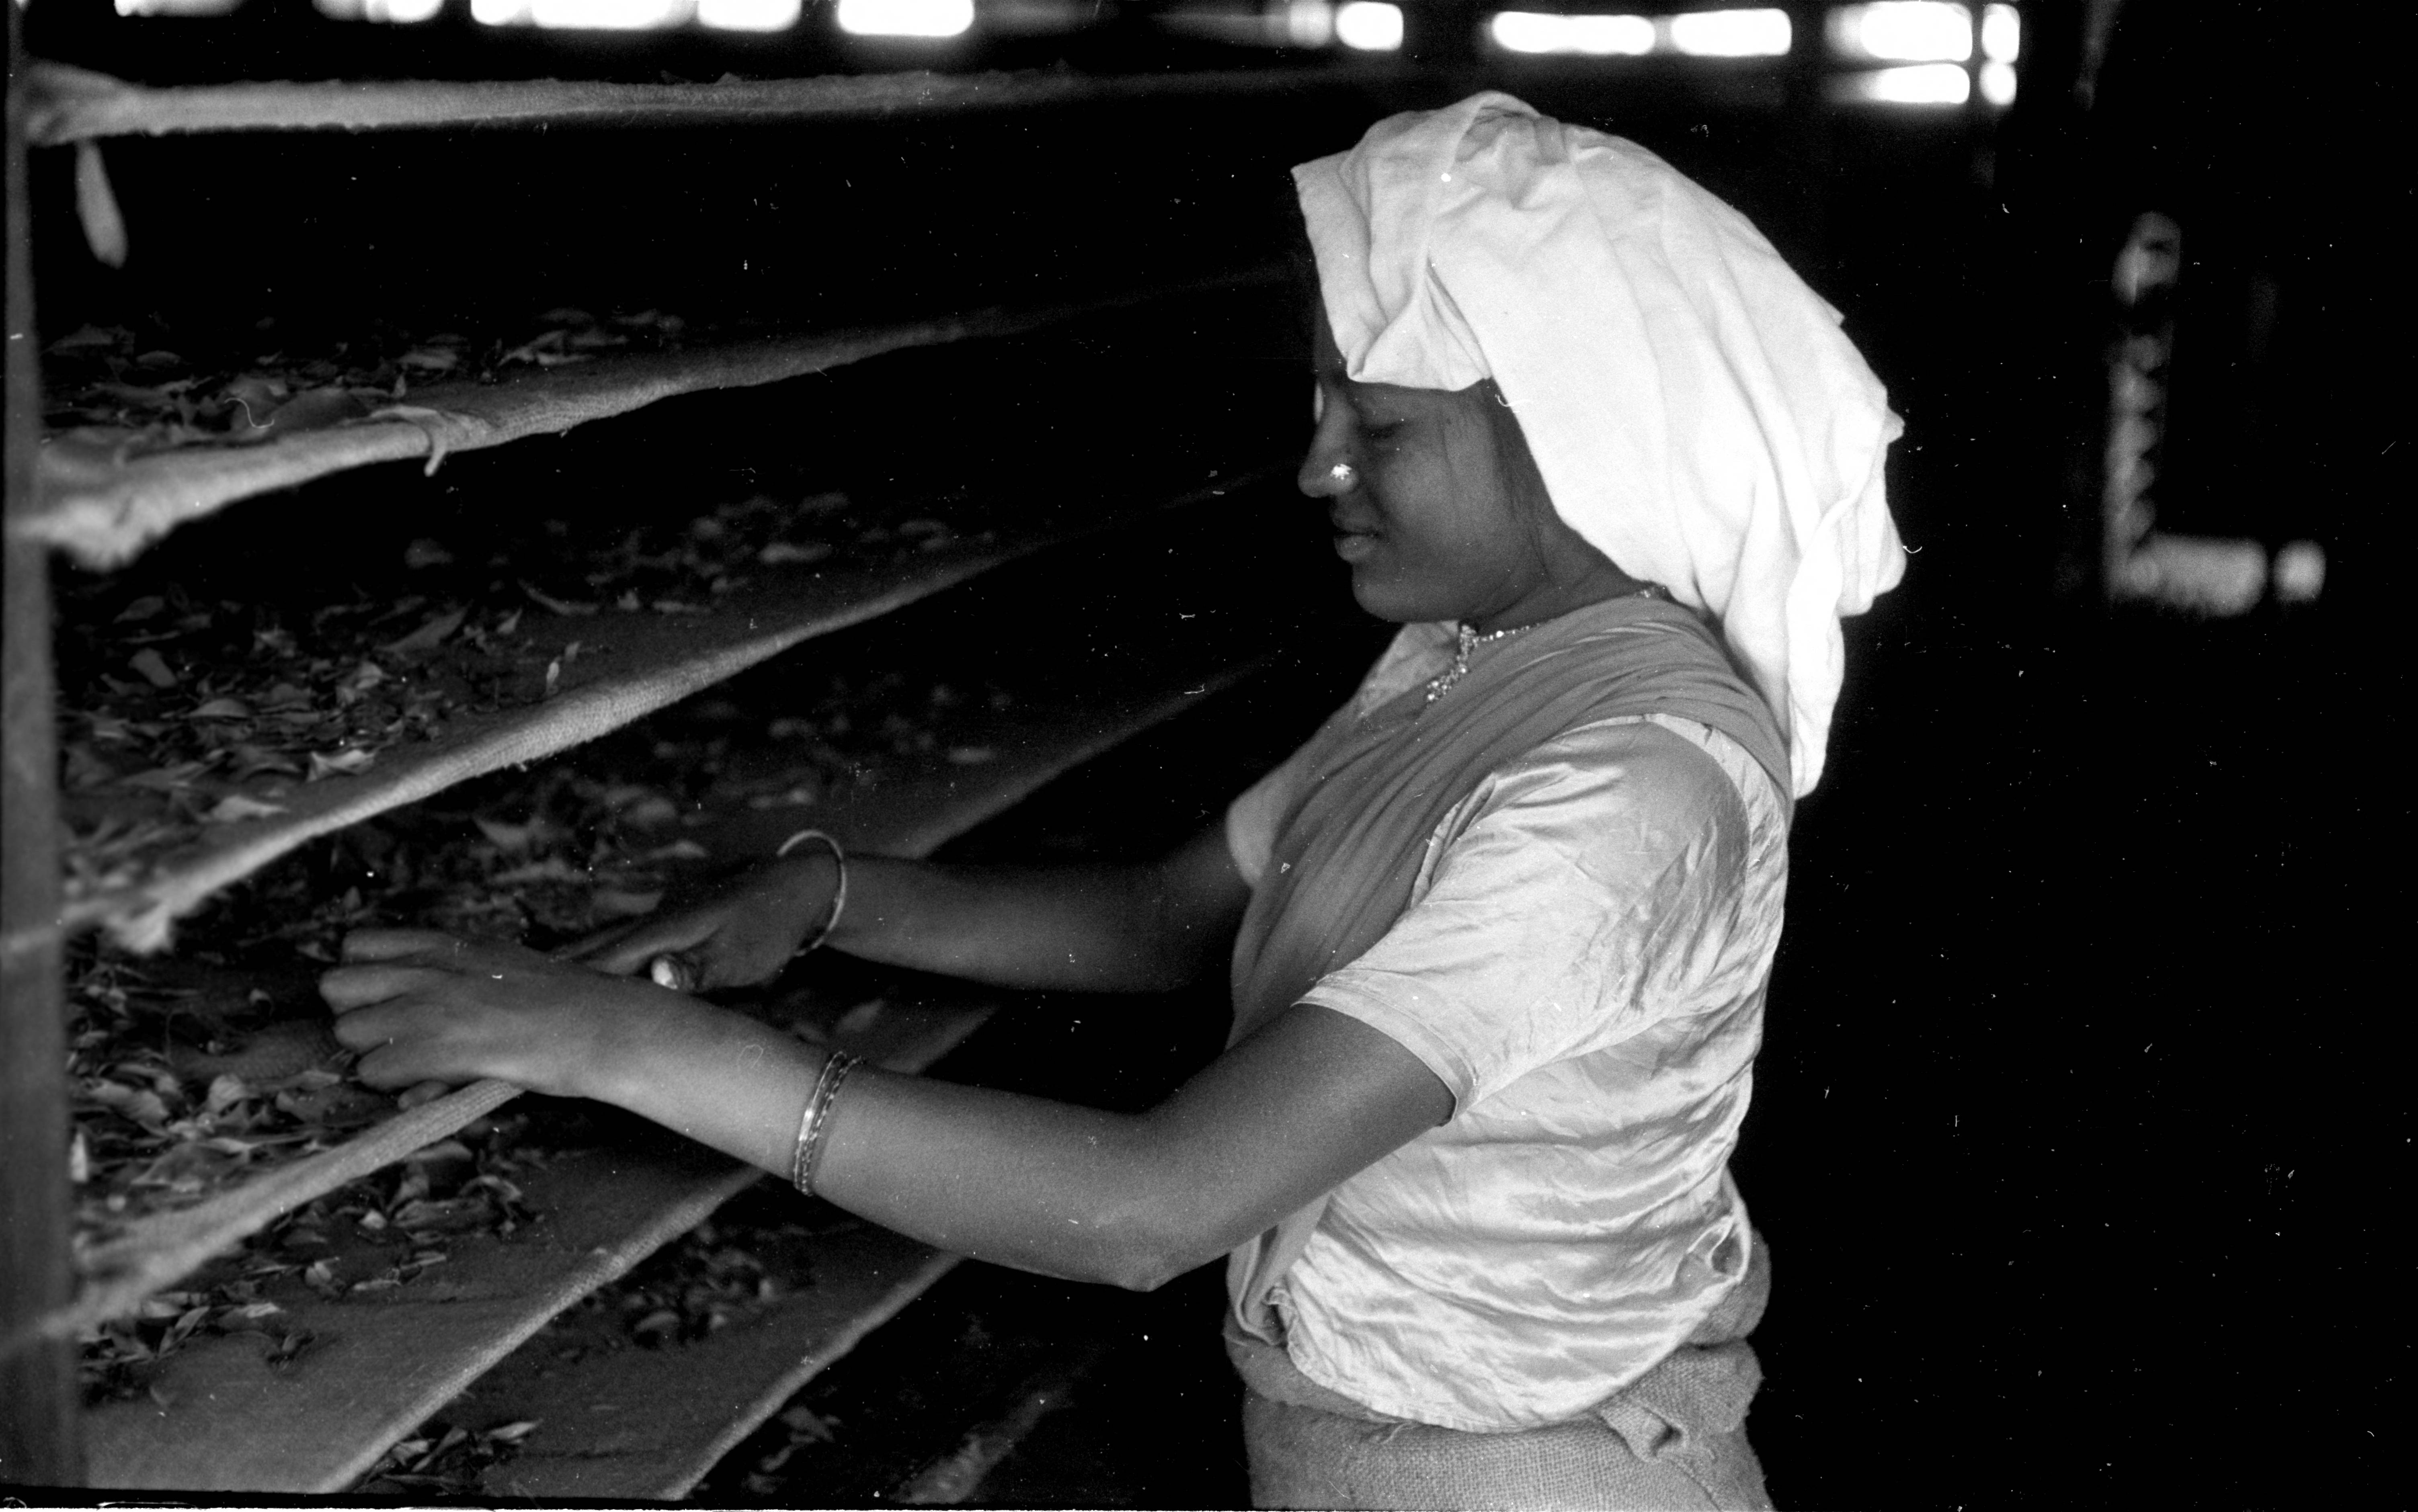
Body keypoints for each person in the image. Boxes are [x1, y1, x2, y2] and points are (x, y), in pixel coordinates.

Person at [320, 93, 1903, 1509]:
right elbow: (1164, 918)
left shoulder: (1625, 798)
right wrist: (828, 891)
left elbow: (1148, 1205)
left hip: (1541, 1475)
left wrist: (623, 1043)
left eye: (1386, 430)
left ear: (1585, 444)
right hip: (1382, 1442)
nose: (1317, 471)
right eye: (1325, 410)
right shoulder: (1468, 665)